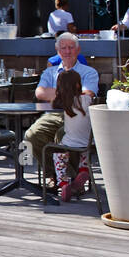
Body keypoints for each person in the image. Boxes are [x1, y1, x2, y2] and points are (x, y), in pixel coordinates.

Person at [24, 32, 100, 174]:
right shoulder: (50, 72)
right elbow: (39, 93)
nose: (67, 51)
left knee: (62, 136)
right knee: (32, 135)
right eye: (63, 48)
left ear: (78, 50)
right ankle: (58, 176)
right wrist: (72, 93)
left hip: (77, 116)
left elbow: (88, 94)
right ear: (58, 51)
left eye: (71, 47)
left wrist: (54, 94)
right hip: (53, 114)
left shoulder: (89, 72)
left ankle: (68, 178)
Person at [51, 69, 93, 202]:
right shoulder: (86, 99)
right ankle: (83, 168)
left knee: (58, 153)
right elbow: (90, 95)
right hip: (88, 142)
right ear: (78, 85)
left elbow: (53, 105)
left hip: (70, 144)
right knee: (85, 148)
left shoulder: (63, 102)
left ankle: (63, 183)